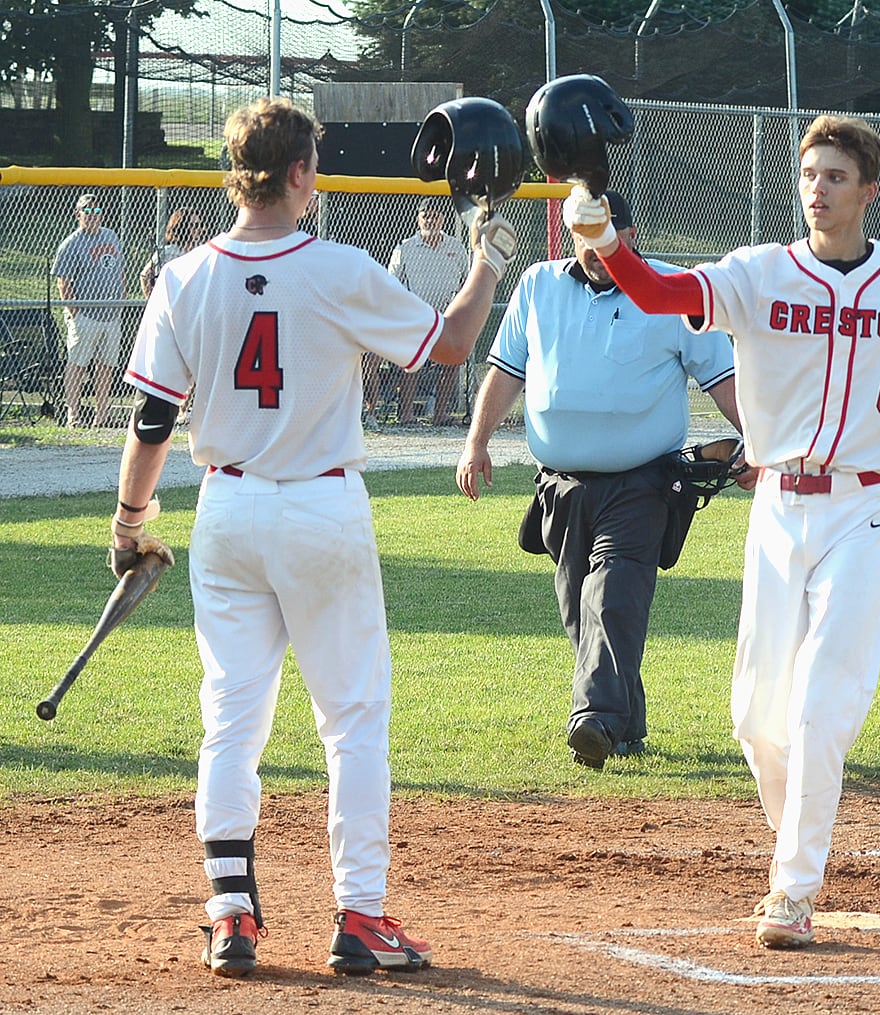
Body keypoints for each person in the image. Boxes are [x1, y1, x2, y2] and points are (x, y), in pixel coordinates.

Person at [108, 96, 517, 978]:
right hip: (322, 507)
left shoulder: (183, 275)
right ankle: (361, 916)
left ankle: (229, 913)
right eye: (314, 164)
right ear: (298, 173)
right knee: (353, 719)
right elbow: (448, 347)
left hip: (226, 508)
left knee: (231, 718)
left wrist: (129, 524)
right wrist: (487, 265)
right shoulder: (337, 266)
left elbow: (149, 421)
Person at [564, 115, 880, 948]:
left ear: (868, 190)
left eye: (834, 175)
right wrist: (606, 240)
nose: (817, 189)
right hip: (777, 506)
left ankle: (791, 889)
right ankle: (799, 842)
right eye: (808, 174)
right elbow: (659, 294)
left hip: (864, 508)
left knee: (820, 705)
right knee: (756, 719)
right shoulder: (757, 273)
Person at [456, 190, 753, 770]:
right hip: (562, 484)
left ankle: (593, 719)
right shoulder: (538, 286)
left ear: (628, 235)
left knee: (613, 593)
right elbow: (505, 370)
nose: (596, 250)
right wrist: (476, 442)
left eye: (607, 238)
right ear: (572, 235)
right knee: (580, 609)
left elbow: (724, 377)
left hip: (643, 481)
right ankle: (626, 723)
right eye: (586, 238)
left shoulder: (670, 292)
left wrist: (760, 446)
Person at [364, 197, 470, 427]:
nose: (431, 220)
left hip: (446, 316)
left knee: (454, 360)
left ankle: (440, 414)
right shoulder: (406, 248)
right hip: (414, 316)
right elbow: (392, 283)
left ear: (443, 219)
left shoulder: (456, 247)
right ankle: (406, 414)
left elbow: (466, 280)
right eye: (426, 216)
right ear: (418, 218)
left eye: (435, 215)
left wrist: (456, 305)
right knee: (414, 360)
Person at [52, 192, 126, 428]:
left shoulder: (111, 237)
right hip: (86, 314)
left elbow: (120, 270)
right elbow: (63, 281)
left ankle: (102, 414)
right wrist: (74, 311)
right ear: (78, 214)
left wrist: (121, 298)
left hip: (111, 313)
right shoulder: (72, 244)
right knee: (78, 363)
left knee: (106, 365)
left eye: (96, 211)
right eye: (88, 211)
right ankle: (73, 414)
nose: (93, 215)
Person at [139, 206, 206, 298]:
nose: (199, 229)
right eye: (194, 225)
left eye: (200, 225)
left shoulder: (201, 251)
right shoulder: (169, 252)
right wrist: (151, 299)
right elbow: (145, 275)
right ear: (183, 227)